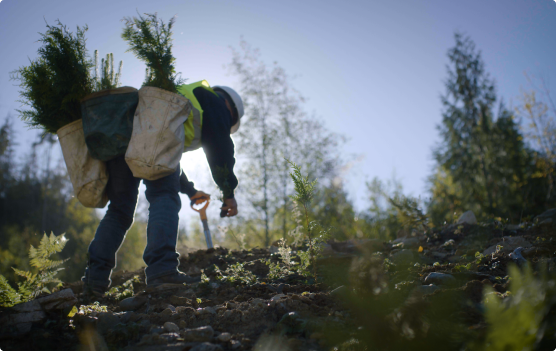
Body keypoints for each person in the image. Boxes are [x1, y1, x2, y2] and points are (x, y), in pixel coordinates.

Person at [82, 80, 244, 296]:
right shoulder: (214, 101)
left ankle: (95, 279)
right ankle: (162, 270)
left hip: (123, 138)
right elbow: (220, 148)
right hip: (152, 138)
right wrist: (229, 193)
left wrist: (190, 191)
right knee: (164, 196)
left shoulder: (190, 95)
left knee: (119, 210)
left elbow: (169, 160)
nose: (227, 123)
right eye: (230, 119)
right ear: (228, 104)